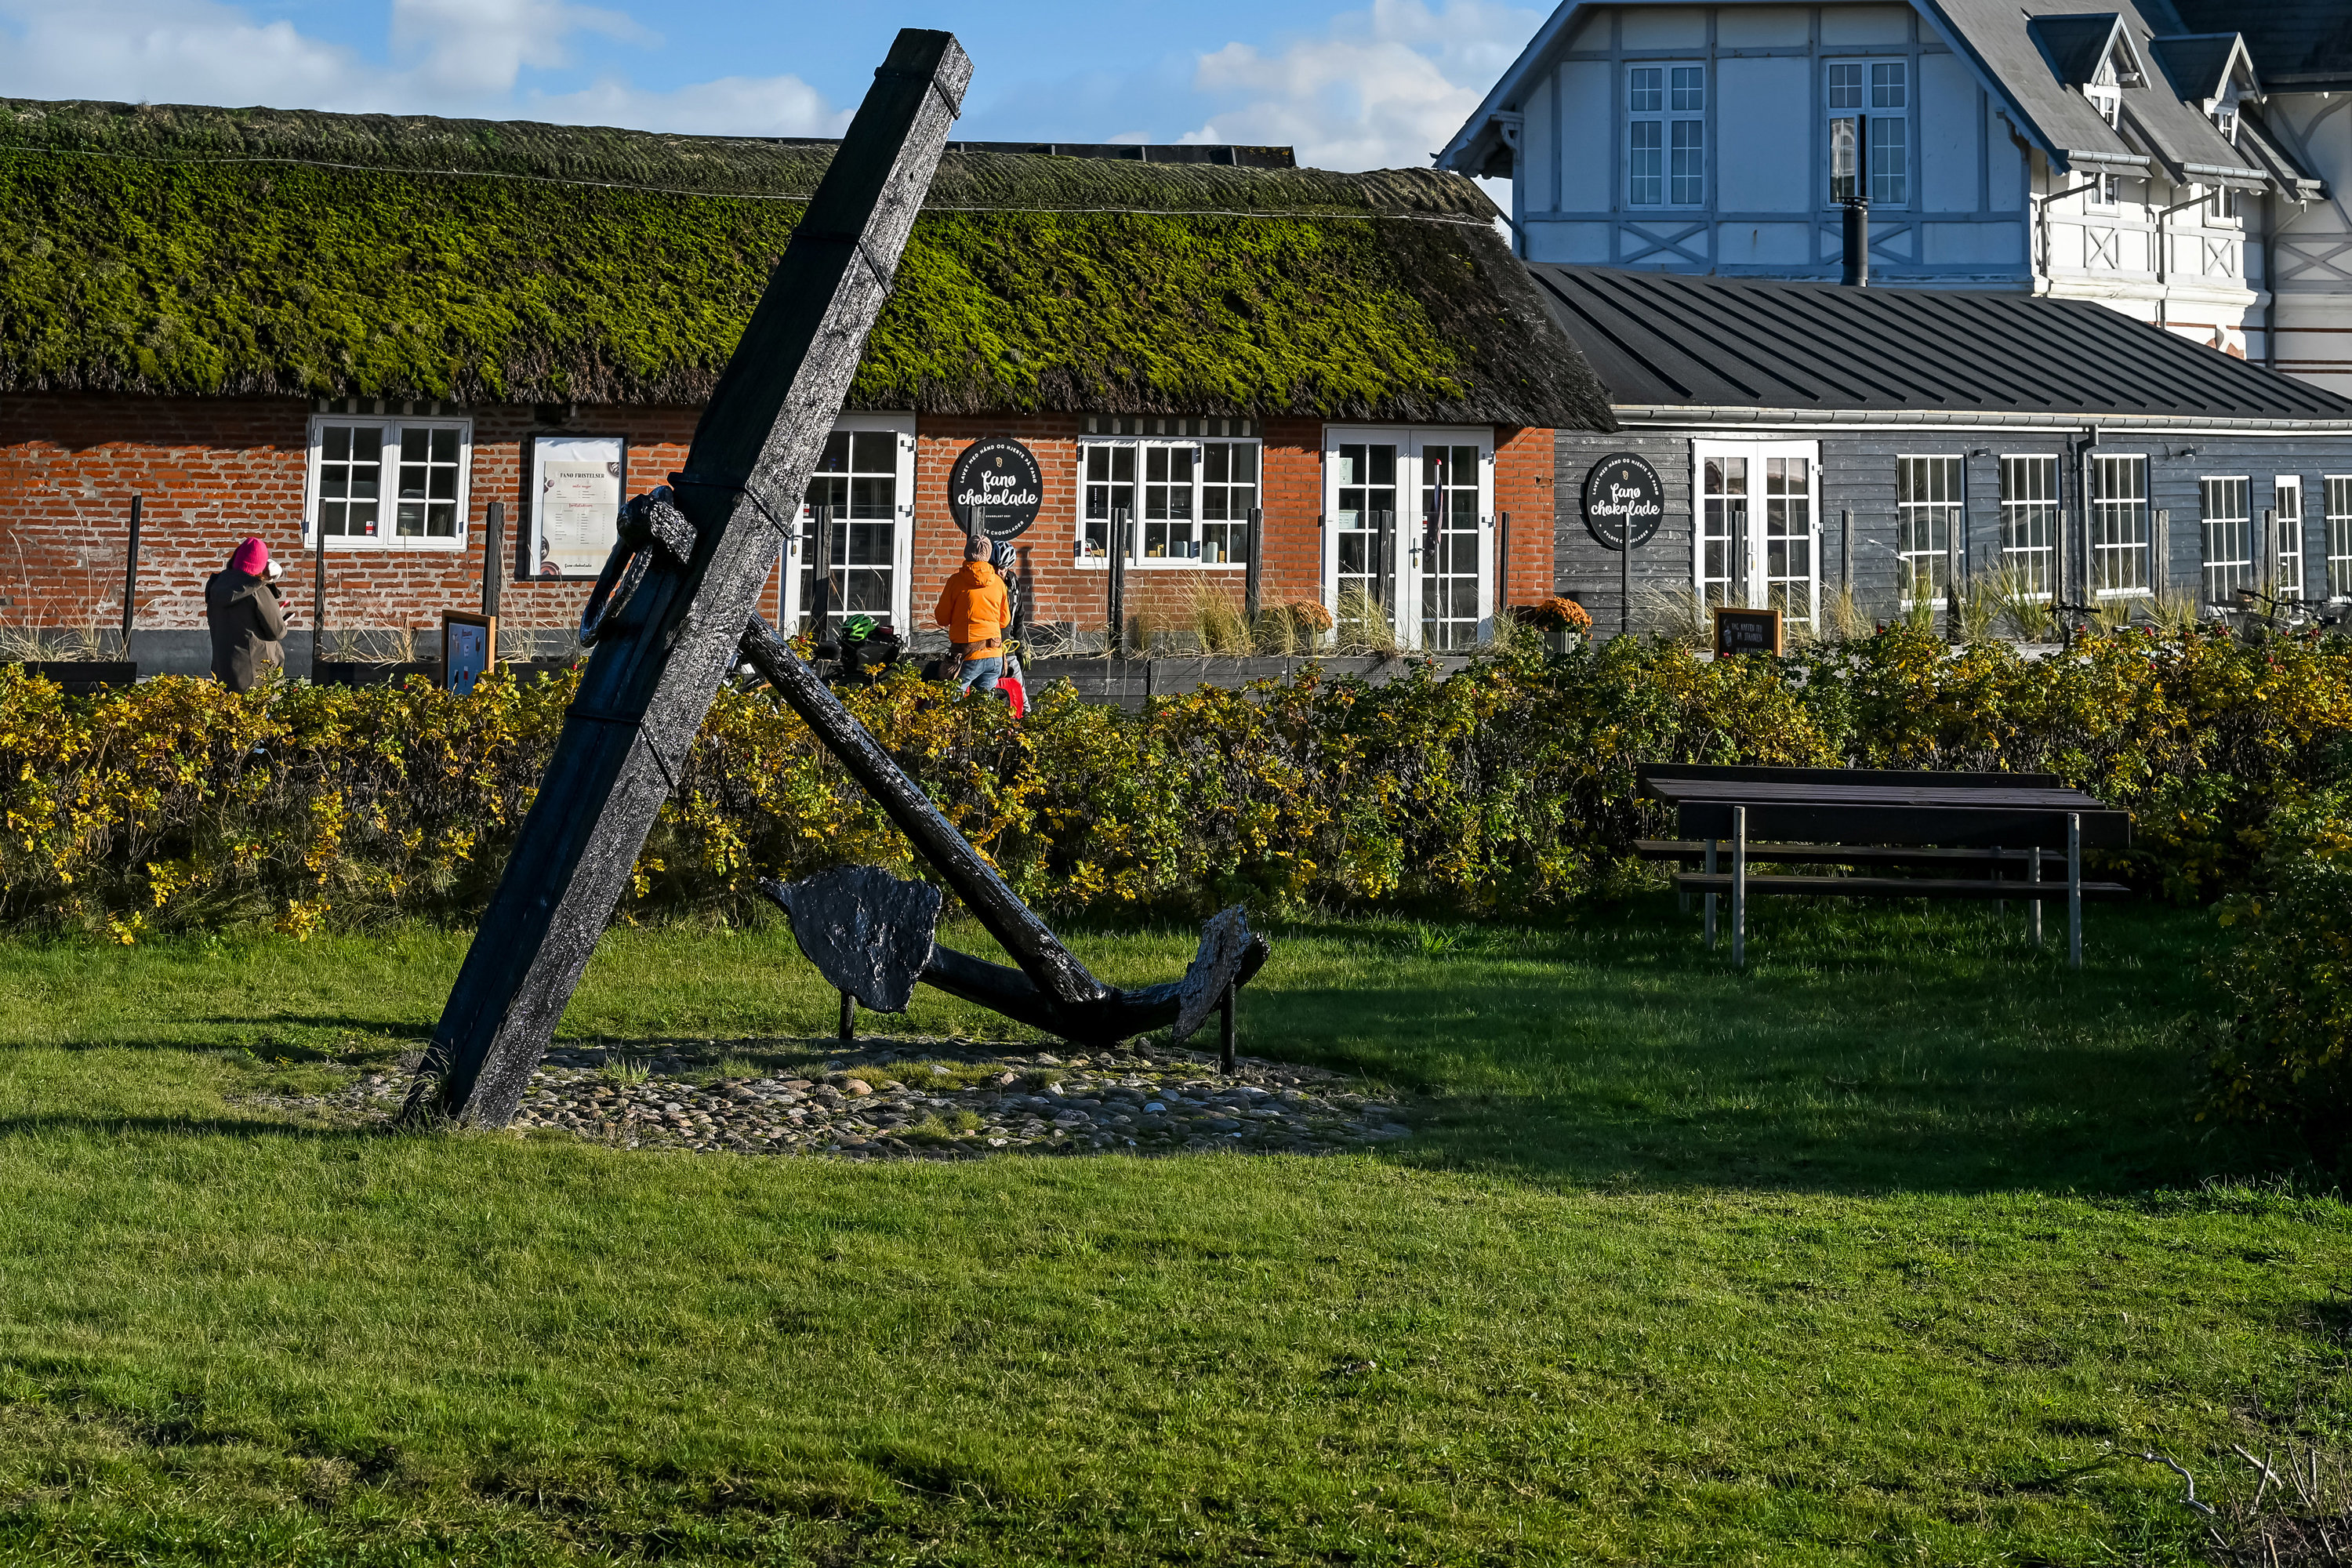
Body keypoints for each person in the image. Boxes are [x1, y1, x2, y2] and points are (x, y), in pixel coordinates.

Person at [932, 532, 1011, 695]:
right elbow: (1004, 621)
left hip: (967, 655)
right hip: (995, 654)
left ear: (966, 552)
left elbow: (941, 618)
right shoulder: (998, 582)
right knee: (983, 706)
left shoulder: (955, 581)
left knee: (953, 702)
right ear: (988, 555)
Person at [205, 535, 286, 692]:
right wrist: (279, 618)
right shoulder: (258, 591)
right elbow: (277, 632)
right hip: (257, 677)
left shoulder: (216, 586)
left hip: (223, 672)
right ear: (262, 565)